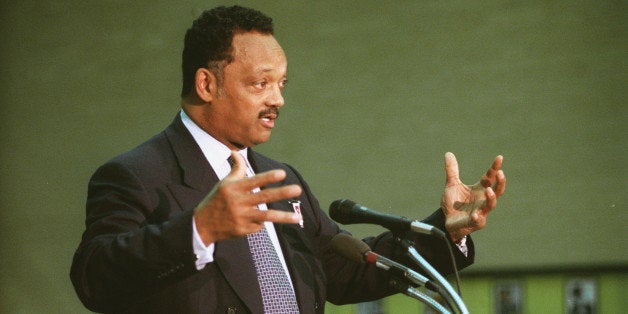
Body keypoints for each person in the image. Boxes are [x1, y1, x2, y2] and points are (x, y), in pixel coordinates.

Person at [70, 5, 506, 314]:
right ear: (206, 84)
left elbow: (346, 268)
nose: (277, 99)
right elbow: (95, 278)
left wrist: (446, 232)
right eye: (260, 84)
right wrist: (199, 229)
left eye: (281, 84)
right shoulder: (136, 175)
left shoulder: (277, 177)